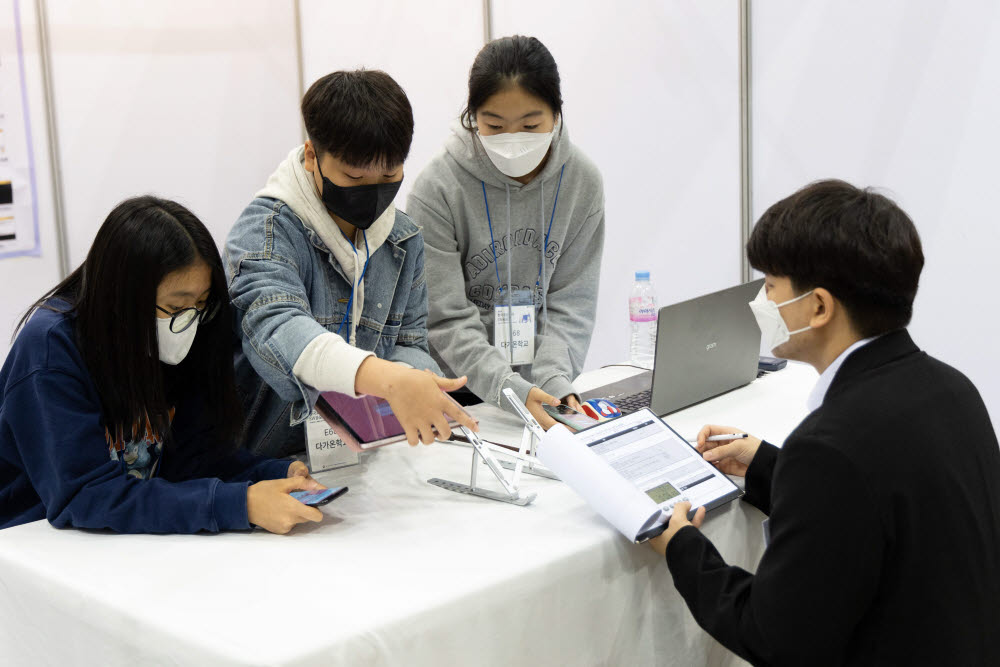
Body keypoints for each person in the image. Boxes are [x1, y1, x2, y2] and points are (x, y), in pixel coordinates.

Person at [649, 180, 1000, 665]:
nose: (760, 300)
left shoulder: (829, 447)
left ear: (818, 307)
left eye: (770, 285)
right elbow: (874, 509)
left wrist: (682, 547)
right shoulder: (953, 390)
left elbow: (774, 638)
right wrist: (768, 465)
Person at [0, 196, 325, 534]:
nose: (190, 322)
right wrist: (240, 504)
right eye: (175, 308)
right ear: (123, 299)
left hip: (120, 541)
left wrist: (273, 474)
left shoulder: (184, 335)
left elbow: (196, 460)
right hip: (28, 545)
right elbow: (86, 495)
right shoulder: (52, 351)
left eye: (200, 304)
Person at [226, 70, 477, 457]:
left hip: (363, 459)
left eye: (390, 175)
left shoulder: (403, 239)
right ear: (312, 156)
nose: (373, 192)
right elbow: (277, 326)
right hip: (264, 460)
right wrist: (387, 379)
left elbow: (410, 339)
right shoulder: (267, 232)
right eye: (354, 176)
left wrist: (413, 377)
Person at [407, 35, 605, 429]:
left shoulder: (581, 182)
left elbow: (572, 302)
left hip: (543, 387)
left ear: (557, 114)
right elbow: (446, 319)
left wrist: (553, 383)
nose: (513, 141)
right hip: (458, 394)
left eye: (531, 125)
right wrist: (506, 387)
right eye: (494, 125)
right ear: (472, 117)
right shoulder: (438, 188)